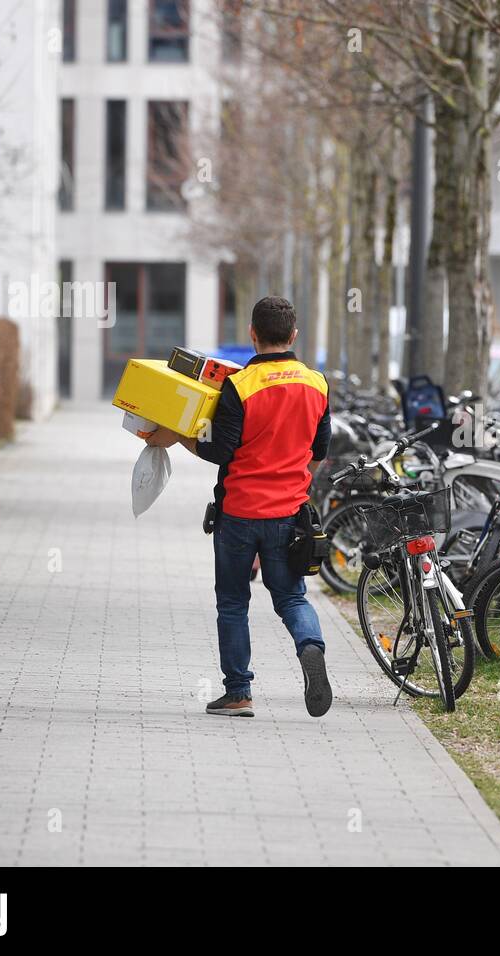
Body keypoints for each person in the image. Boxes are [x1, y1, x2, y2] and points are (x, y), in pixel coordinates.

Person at [145, 296, 332, 719]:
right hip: (289, 514)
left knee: (233, 601)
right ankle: (310, 647)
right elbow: (318, 451)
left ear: (252, 333)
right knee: (291, 597)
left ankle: (238, 692)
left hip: (241, 513)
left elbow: (219, 450)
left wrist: (179, 436)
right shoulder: (317, 383)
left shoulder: (240, 386)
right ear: (293, 335)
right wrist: (296, 484)